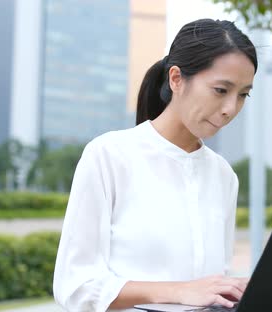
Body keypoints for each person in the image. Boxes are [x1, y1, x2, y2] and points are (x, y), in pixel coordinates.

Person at [53, 19, 257, 312]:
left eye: (243, 95)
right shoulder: (109, 155)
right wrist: (181, 291)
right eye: (221, 90)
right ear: (176, 79)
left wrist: (229, 290)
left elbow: (210, 283)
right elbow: (76, 286)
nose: (230, 109)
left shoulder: (223, 175)